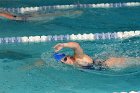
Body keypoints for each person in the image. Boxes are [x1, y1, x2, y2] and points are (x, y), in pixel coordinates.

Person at [53, 42, 140, 70]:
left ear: (68, 56)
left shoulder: (78, 58)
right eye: (62, 62)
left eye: (64, 59)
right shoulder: (74, 65)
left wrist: (63, 45)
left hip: (110, 64)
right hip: (103, 66)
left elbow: (76, 46)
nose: (65, 62)